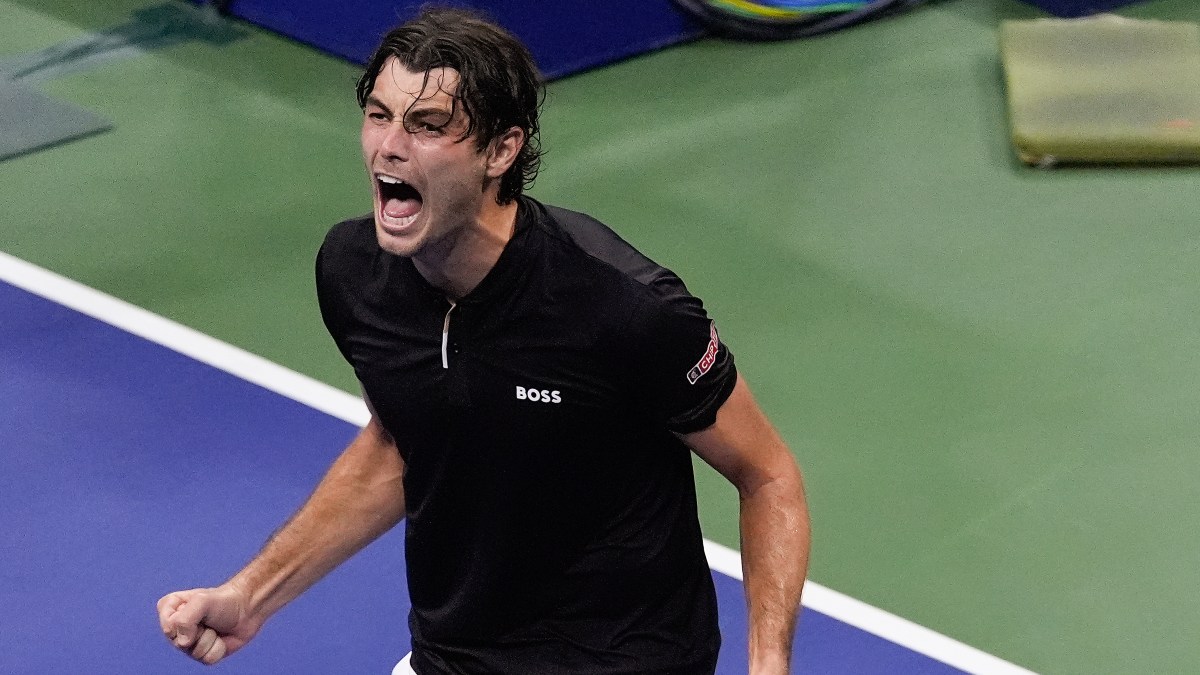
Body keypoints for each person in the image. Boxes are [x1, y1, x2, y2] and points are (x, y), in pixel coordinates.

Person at [156, 7, 810, 674]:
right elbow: (401, 440)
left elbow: (767, 474)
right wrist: (252, 594)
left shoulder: (623, 306)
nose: (389, 146)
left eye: (428, 126)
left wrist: (768, 664)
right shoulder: (354, 273)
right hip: (456, 658)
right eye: (379, 115)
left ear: (502, 150)